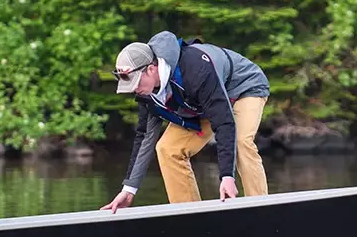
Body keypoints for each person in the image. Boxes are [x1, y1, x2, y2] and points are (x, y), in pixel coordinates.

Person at [101, 31, 270, 213]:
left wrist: (227, 176)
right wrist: (129, 189)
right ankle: (189, 214)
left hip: (243, 87)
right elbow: (144, 137)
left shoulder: (195, 68)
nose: (134, 90)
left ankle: (259, 208)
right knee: (167, 149)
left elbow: (224, 122)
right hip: (205, 103)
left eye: (135, 83)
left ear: (151, 69)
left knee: (241, 142)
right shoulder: (146, 92)